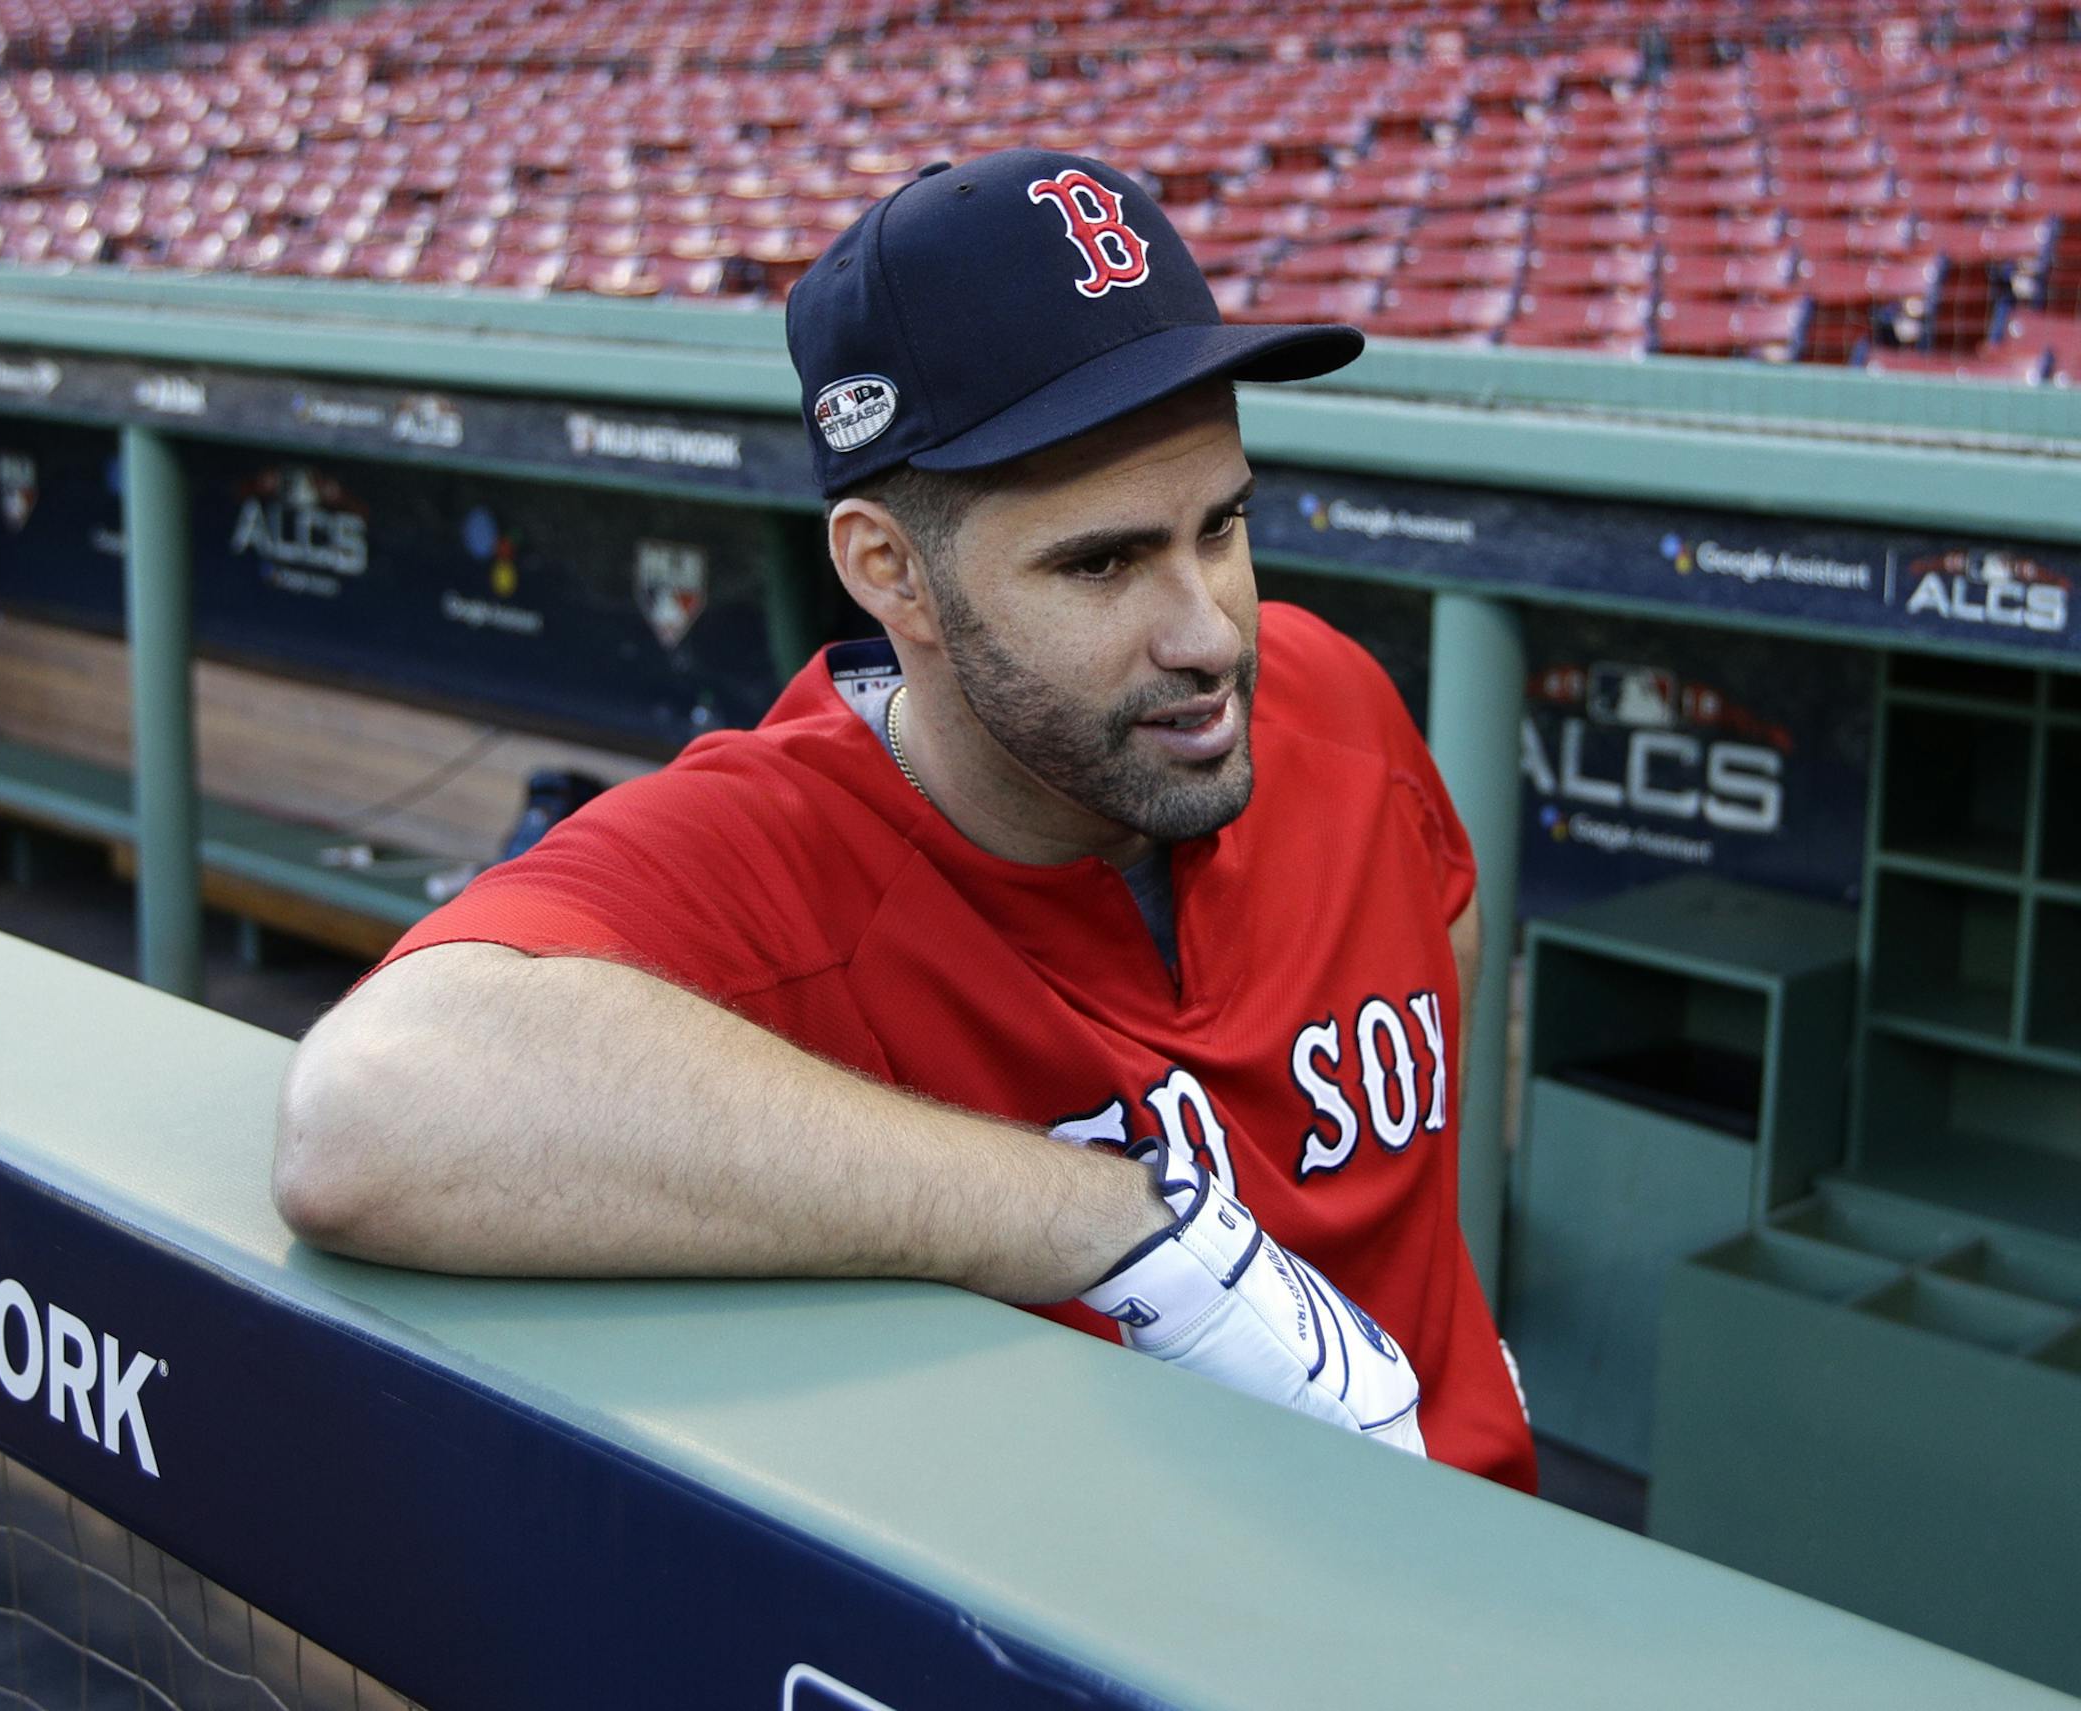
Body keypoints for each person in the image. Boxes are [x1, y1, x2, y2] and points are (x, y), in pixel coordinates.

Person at [273, 149, 1537, 1491]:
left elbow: (1441, 942)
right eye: (1102, 562)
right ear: (893, 572)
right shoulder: (782, 843)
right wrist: (1115, 1220)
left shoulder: (1331, 695)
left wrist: (1456, 1330)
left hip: (1487, 1563)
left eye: (1219, 526)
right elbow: (365, 1114)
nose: (1207, 631)